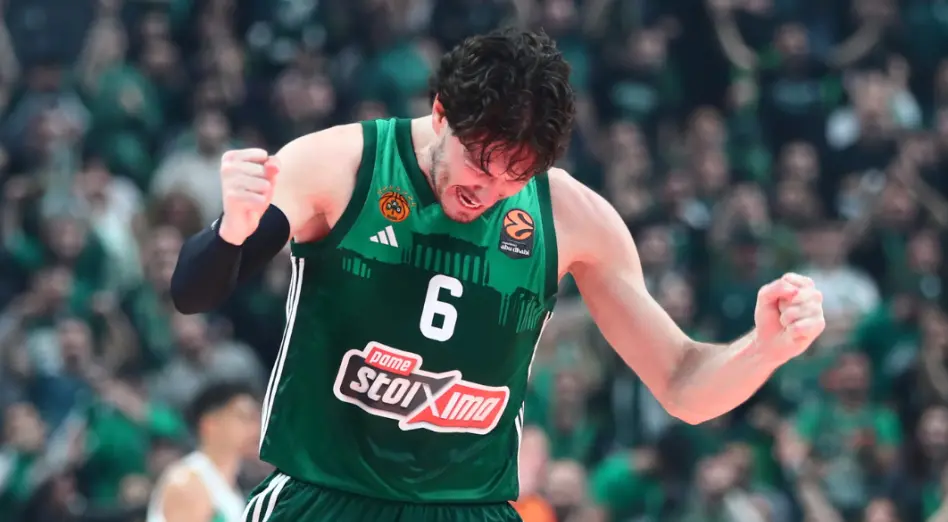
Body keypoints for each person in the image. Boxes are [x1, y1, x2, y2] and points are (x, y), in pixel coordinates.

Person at [170, 28, 826, 522]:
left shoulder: (573, 218)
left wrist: (766, 348)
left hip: (470, 506)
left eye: (516, 175)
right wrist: (232, 230)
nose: (488, 191)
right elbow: (194, 292)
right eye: (480, 163)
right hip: (325, 496)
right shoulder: (340, 165)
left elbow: (683, 385)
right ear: (440, 114)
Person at [147, 382, 260, 522]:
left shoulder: (228, 488)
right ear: (210, 424)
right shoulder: (187, 483)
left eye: (256, 419)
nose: (256, 428)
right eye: (244, 418)